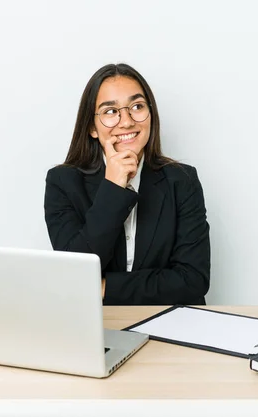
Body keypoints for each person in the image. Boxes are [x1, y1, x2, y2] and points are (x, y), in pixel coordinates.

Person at [43, 63, 210, 305]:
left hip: (170, 322)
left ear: (150, 114)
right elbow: (77, 273)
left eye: (137, 107)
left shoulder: (182, 180)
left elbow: (193, 280)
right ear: (91, 127)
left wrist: (104, 287)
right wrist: (113, 187)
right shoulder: (62, 182)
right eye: (110, 111)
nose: (127, 121)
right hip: (98, 324)